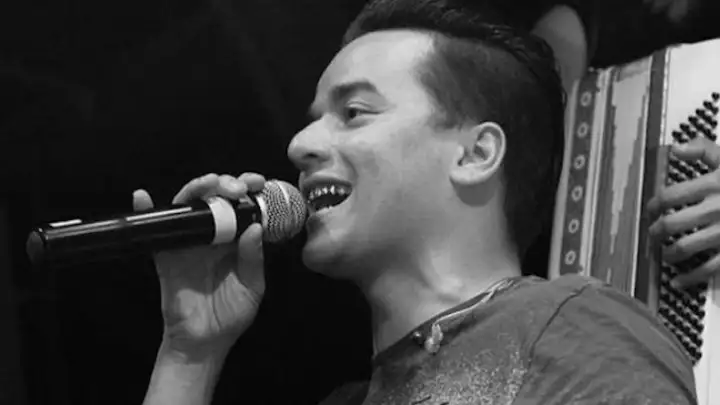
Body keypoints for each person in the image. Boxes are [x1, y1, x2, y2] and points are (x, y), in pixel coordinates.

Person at [137, 0, 704, 404]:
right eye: (314, 120)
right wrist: (190, 353)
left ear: (476, 154)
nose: (299, 144)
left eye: (353, 113)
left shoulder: (572, 330)